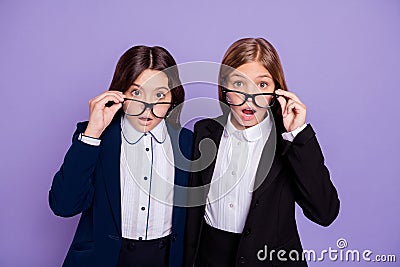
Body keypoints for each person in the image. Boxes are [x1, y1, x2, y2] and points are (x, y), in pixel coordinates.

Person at [184, 37, 340, 267]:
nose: (250, 98)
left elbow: (325, 213)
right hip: (210, 257)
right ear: (225, 87)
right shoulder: (204, 131)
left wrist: (298, 135)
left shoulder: (287, 141)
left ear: (276, 91)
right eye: (239, 84)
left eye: (262, 85)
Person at [49, 45, 193, 267]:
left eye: (159, 95)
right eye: (136, 92)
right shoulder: (96, 138)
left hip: (165, 257)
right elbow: (64, 206)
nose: (147, 107)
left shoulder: (188, 142)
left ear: (174, 96)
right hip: (106, 258)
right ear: (119, 94)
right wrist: (93, 134)